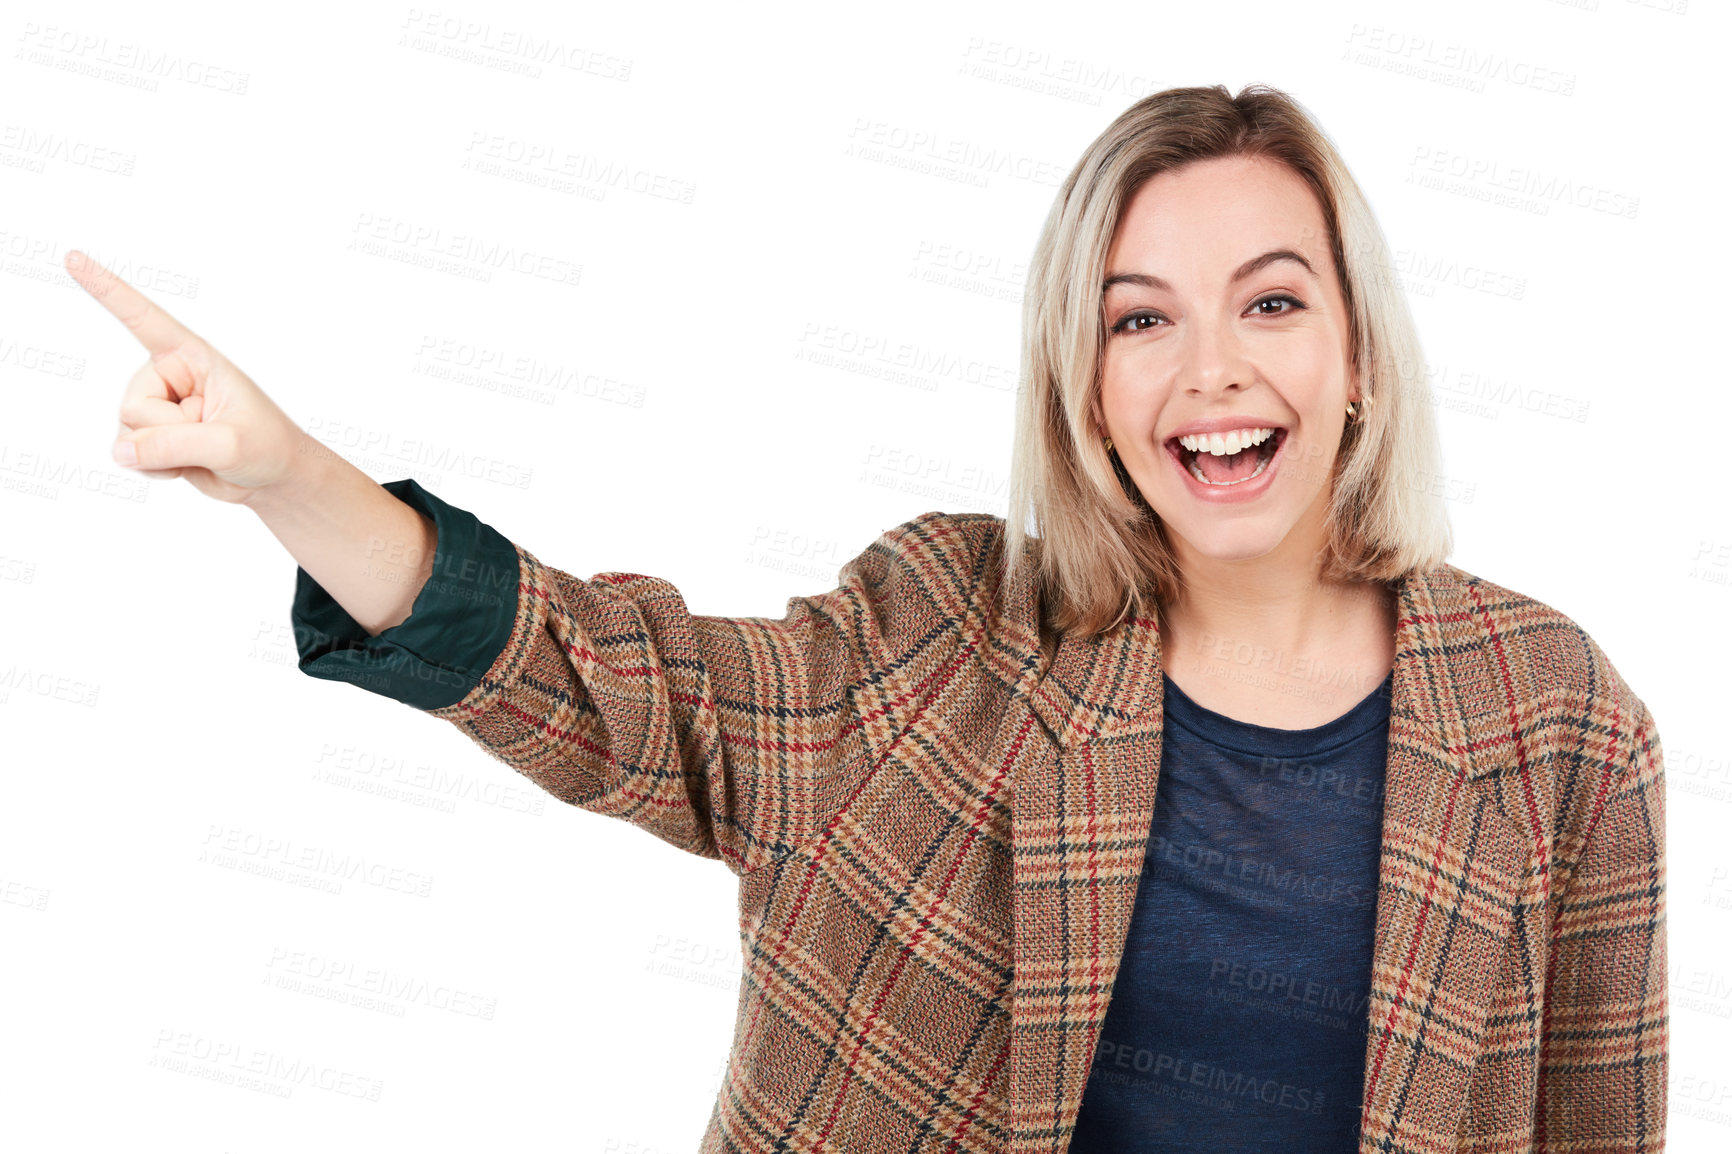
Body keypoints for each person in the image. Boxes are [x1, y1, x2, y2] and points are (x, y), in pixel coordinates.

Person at [71, 83, 1665, 1152]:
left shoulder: (1555, 719)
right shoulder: (951, 630)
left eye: (1271, 299)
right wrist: (292, 475)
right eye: (1140, 320)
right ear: (1088, 392)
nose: (1213, 372)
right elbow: (635, 691)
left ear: (1360, 354)